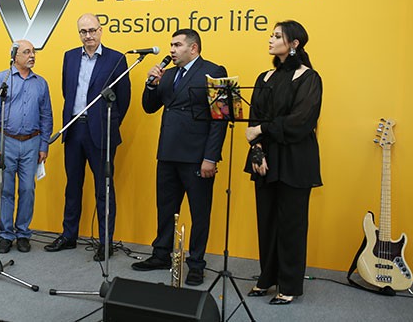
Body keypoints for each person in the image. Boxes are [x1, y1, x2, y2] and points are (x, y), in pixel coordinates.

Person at [131, 29, 227, 286]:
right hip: (168, 153)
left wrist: (210, 157)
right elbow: (149, 107)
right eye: (171, 45)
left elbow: (220, 119)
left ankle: (196, 263)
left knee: (199, 212)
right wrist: (151, 84)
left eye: (177, 45)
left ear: (193, 48)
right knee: (165, 208)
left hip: (196, 156)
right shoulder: (169, 74)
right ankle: (161, 254)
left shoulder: (214, 71)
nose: (171, 50)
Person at [244, 20, 322, 305]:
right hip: (265, 158)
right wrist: (257, 152)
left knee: (291, 225)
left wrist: (262, 130)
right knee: (266, 222)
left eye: (277, 36)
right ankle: (267, 278)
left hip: (295, 160)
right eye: (271, 35)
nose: (271, 39)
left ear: (294, 44)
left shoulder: (309, 77)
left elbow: (301, 121)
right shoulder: (264, 77)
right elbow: (253, 119)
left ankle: (288, 285)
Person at [44, 13, 131, 262]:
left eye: (92, 30)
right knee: (72, 186)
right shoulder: (70, 57)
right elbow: (67, 91)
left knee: (104, 189)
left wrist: (109, 124)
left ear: (101, 30)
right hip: (74, 129)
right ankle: (69, 235)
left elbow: (123, 98)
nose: (88, 35)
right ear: (79, 33)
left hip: (101, 131)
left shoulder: (116, 59)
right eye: (83, 31)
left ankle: (106, 242)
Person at [0, 40, 53, 253]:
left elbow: (46, 116)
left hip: (31, 143)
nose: (32, 56)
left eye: (33, 52)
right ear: (14, 56)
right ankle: (5, 235)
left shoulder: (41, 83)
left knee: (27, 189)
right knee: (5, 190)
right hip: (6, 141)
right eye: (27, 52)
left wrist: (44, 145)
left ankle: (23, 234)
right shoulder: (0, 80)